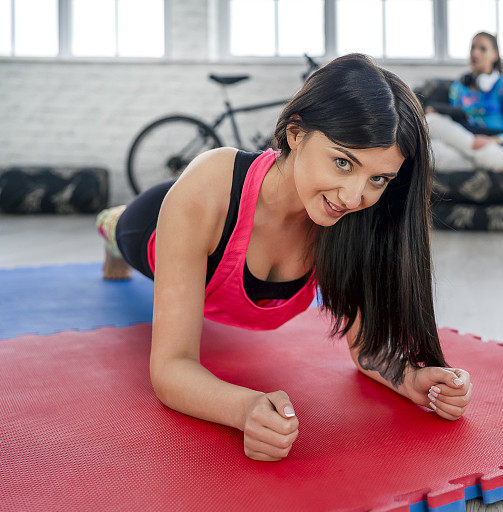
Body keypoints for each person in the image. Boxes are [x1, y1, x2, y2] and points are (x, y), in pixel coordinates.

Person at [94, 53, 474, 461]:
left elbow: (366, 348)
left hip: (218, 256)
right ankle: (108, 223)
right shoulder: (208, 187)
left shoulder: (355, 216)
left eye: (378, 178)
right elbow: (171, 367)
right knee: (119, 227)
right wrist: (244, 409)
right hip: (154, 224)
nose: (353, 197)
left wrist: (411, 379)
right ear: (296, 132)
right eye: (343, 162)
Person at [425, 31, 503, 175]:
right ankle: (499, 162)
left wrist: (493, 141)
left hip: (491, 143)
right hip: (465, 138)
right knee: (428, 149)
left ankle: (497, 159)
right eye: (472, 48)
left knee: (430, 123)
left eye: (482, 49)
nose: (475, 53)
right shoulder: (458, 88)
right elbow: (456, 125)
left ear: (495, 55)